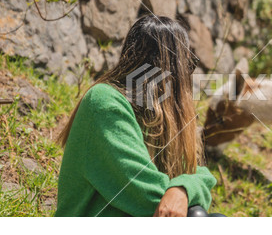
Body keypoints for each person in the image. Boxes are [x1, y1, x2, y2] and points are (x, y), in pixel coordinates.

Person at [55, 15, 217, 217]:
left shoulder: (155, 118)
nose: (189, 77)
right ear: (170, 69)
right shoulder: (105, 103)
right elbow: (151, 198)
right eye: (188, 65)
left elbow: (199, 174)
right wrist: (183, 191)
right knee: (197, 216)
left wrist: (183, 188)